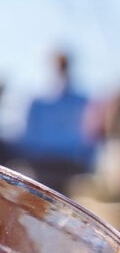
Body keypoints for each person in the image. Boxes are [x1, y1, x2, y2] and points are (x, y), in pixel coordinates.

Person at [15, 48, 94, 192]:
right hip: (42, 167)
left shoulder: (81, 102)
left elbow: (89, 138)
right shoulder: (38, 103)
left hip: (71, 168)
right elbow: (28, 138)